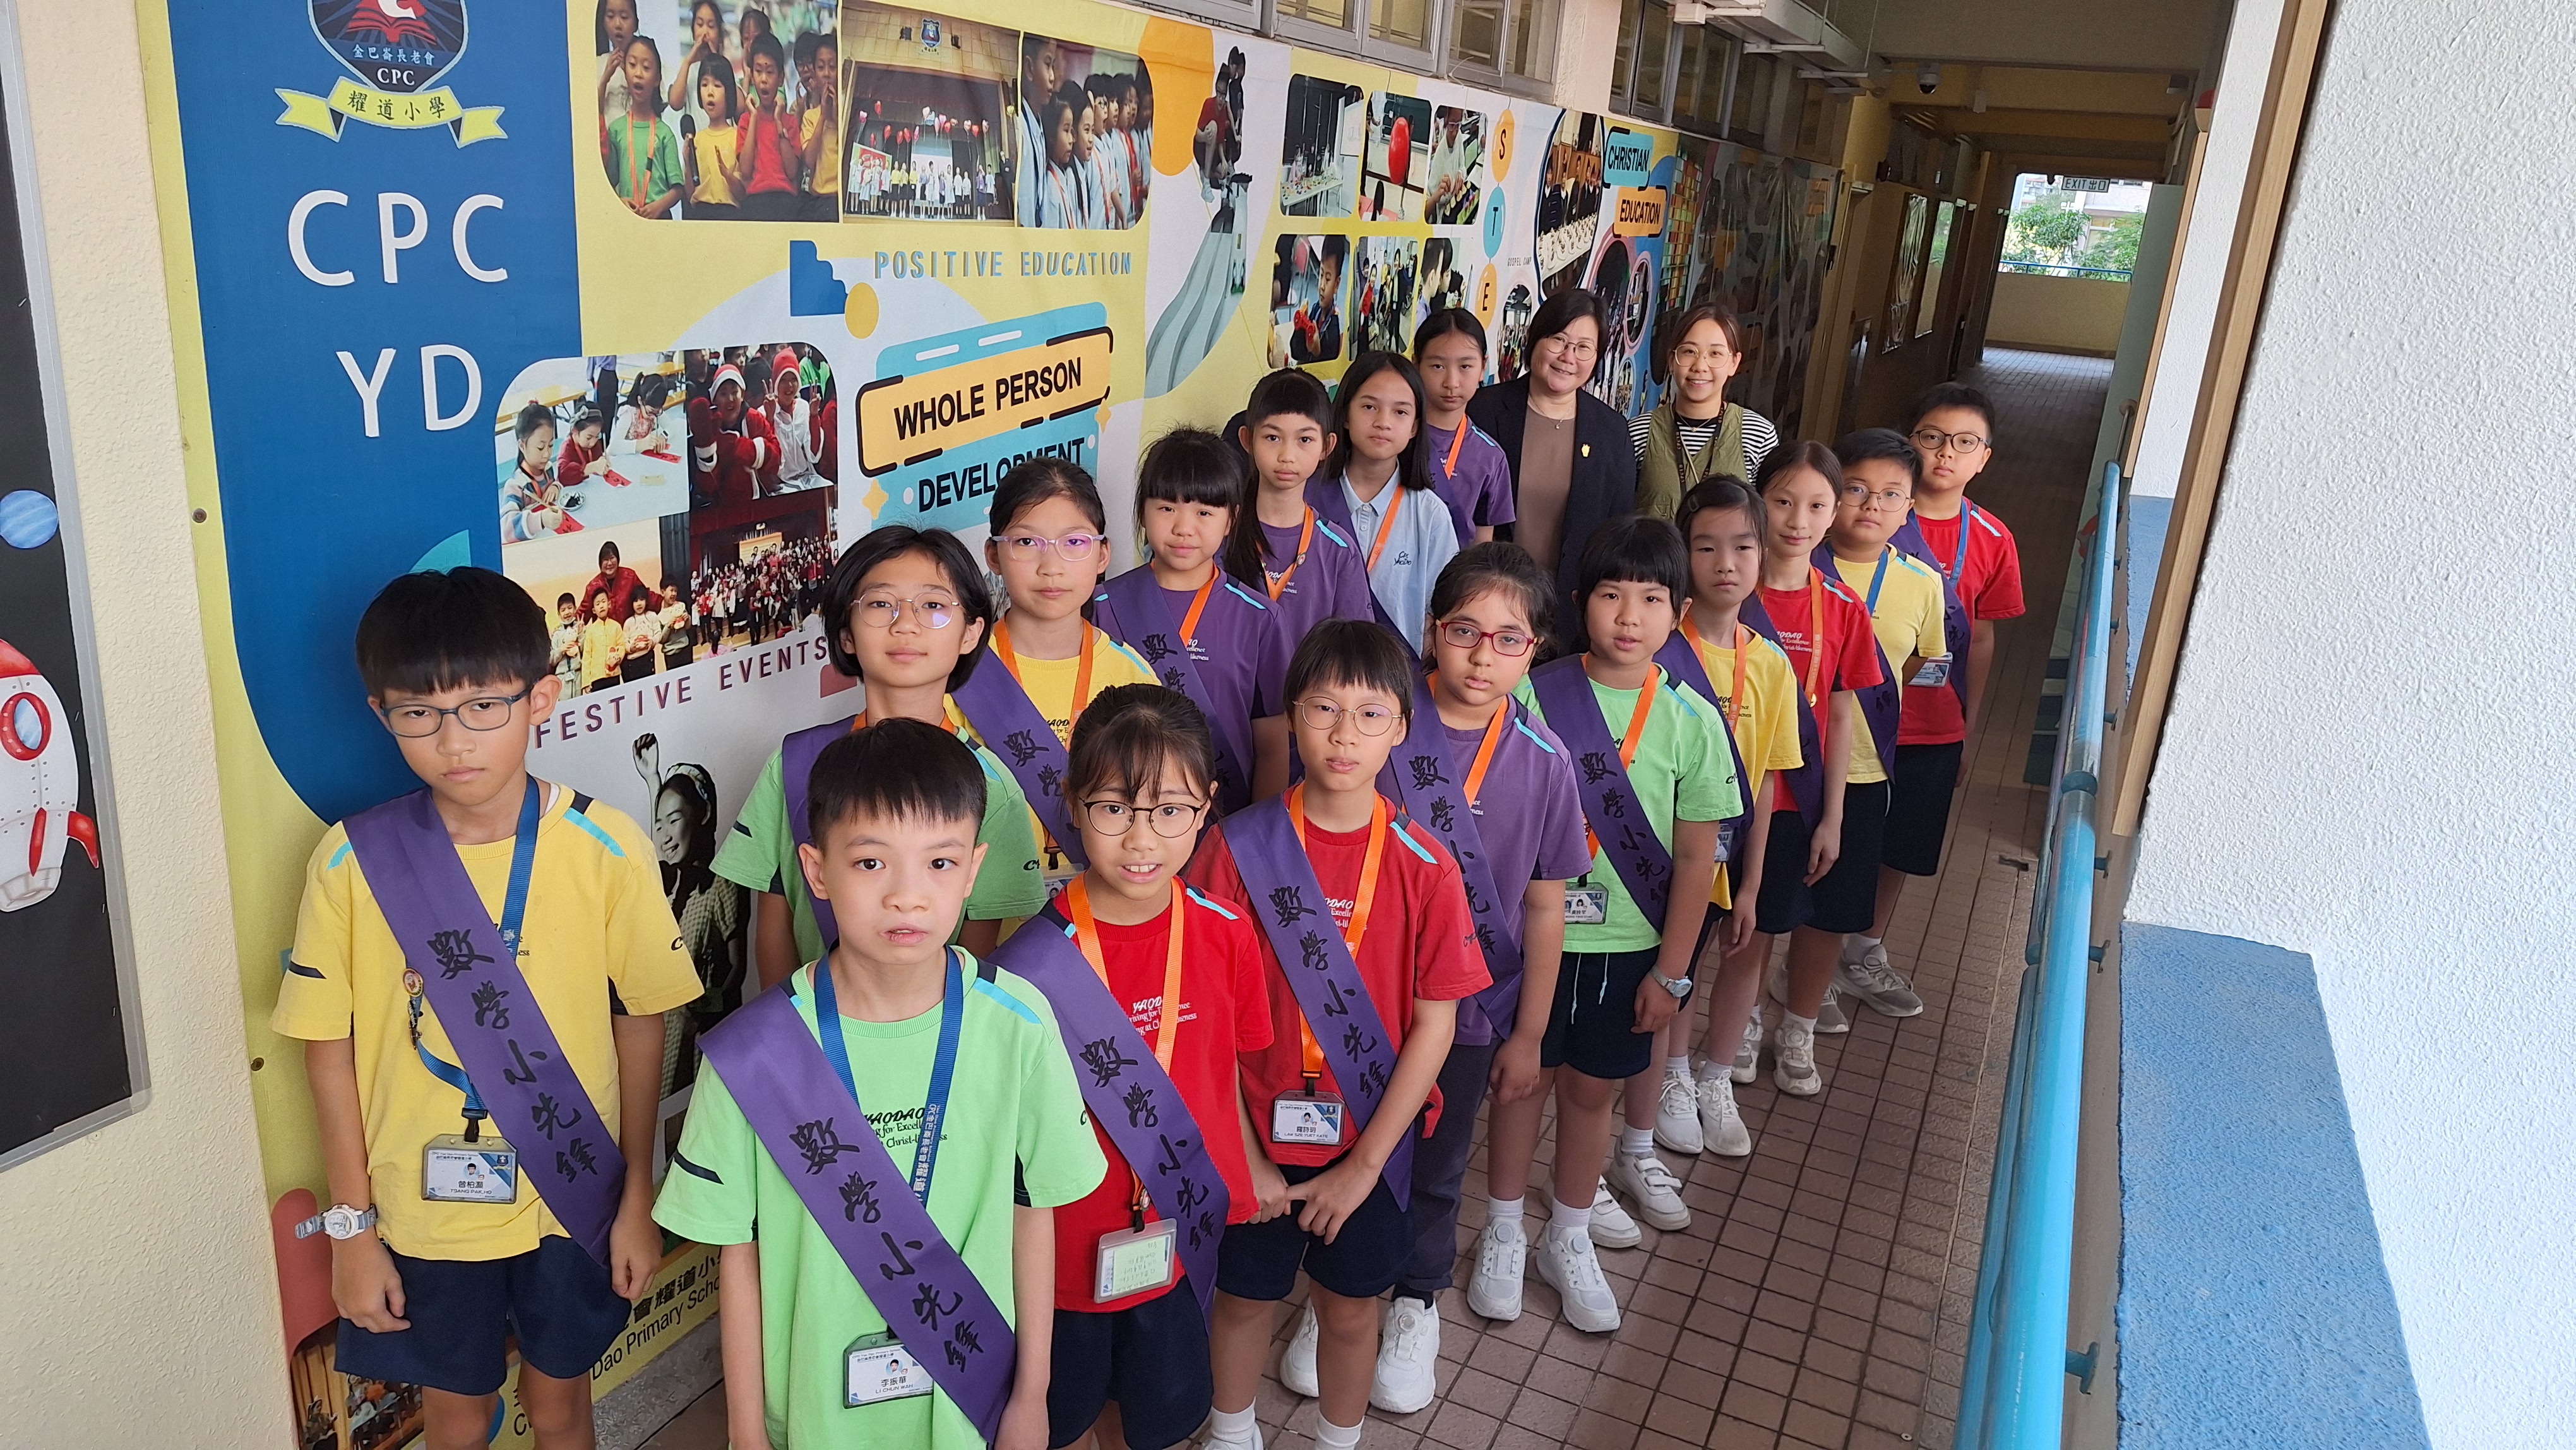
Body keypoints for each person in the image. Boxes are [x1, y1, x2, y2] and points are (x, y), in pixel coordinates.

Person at [275, 567, 700, 1450]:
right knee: (456, 1417)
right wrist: (352, 1232)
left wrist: (636, 1193)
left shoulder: (606, 847)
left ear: (541, 697)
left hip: (572, 1194)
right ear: (381, 714)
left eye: (482, 707)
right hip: (421, 1213)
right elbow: (327, 1053)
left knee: (562, 1406)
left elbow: (642, 1024)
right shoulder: (352, 862)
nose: (452, 741)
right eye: (418, 713)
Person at [655, 719, 1106, 1450]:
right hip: (812, 1419)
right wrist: (744, 1431)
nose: (907, 896)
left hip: (972, 1405)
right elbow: (739, 1255)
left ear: (974, 869)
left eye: (939, 862)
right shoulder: (754, 1053)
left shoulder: (1019, 1026)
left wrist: (1032, 1394)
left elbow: (1034, 1215)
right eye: (871, 862)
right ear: (817, 869)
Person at [1277, 544, 1588, 1408]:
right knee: (1343, 1146)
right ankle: (1338, 1297)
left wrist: (1530, 1032)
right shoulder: (1375, 718)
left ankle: (1416, 1300)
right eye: (1463, 631)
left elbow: (1545, 906)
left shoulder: (1546, 760)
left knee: (1440, 1167)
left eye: (1509, 639)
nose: (1483, 656)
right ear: (1430, 630)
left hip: (1469, 1014)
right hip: (1346, 1003)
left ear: (1536, 649)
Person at [1188, 621, 1489, 1450]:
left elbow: (1437, 1023)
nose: (1344, 734)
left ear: (1401, 728)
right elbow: (1204, 1015)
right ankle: (1232, 1434)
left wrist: (1362, 1168)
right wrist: (1245, 1154)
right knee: (1241, 1302)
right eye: (1323, 708)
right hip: (1251, 1135)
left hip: (1370, 1144)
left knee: (1352, 1312)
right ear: (1292, 716)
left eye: (1369, 714)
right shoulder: (1236, 848)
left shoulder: (1425, 864)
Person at [991, 686, 1273, 1450]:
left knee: (1152, 1424)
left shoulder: (1226, 933)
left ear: (1207, 805)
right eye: (1114, 808)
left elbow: (1228, 1070)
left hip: (1176, 1235)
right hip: (1055, 1260)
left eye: (1170, 810)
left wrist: (1250, 1167)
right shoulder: (1025, 967)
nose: (1142, 839)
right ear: (1072, 803)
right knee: (1060, 1424)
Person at [1501, 517, 1732, 1332]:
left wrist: (1674, 974)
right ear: (1579, 602)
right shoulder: (1533, 693)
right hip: (1531, 938)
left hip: (1629, 945)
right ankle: (1504, 1229)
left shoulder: (1693, 720)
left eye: (1651, 599)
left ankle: (1567, 1234)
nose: (1629, 616)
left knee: (1592, 1090)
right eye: (1610, 595)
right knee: (1520, 1083)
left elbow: (1698, 861)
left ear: (1679, 612)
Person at [713, 527, 1047, 992]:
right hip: (812, 1023)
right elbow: (775, 918)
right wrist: (787, 1029)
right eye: (880, 604)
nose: (905, 624)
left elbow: (979, 950)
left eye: (933, 605)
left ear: (971, 632)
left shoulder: (991, 784)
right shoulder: (793, 765)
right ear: (846, 634)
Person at [1656, 478, 1803, 1157]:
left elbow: (1768, 777)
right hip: (1666, 847)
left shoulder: (1771, 664)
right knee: (1678, 962)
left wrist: (1752, 882)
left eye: (1743, 546)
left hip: (1737, 845)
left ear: (1763, 552)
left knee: (1741, 953)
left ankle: (1717, 1076)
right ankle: (1674, 1074)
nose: (1726, 563)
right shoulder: (1660, 650)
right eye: (1706, 547)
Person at [1864, 387, 2024, 1004]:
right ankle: (1808, 960)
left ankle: (1863, 950)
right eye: (1931, 437)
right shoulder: (1872, 518)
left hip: (1933, 725)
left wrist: (1968, 725)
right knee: (1839, 840)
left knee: (1901, 846)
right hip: (1856, 720)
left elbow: (1980, 637)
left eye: (1964, 442)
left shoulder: (1992, 538)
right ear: (1910, 442)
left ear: (1984, 458)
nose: (1945, 453)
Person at [1740, 443, 1882, 1096]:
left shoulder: (1844, 608)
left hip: (1799, 797)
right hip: (1732, 792)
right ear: (1758, 502)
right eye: (1783, 501)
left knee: (1793, 911)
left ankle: (1796, 1029)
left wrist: (1834, 815)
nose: (1798, 520)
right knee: (1748, 924)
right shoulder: (1726, 593)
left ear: (1835, 512)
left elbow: (1844, 715)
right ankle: (1741, 1023)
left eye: (1818, 505)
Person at [954, 460, 1160, 890]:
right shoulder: (958, 674)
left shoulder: (1133, 676)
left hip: (1101, 906)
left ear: (1103, 555)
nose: (1051, 566)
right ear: (992, 555)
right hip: (985, 909)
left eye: (1075, 542)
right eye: (1027, 542)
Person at [1088, 428, 1292, 812]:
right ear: (1143, 511)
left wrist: (1253, 835)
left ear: (1231, 520)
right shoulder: (1102, 605)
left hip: (1226, 824)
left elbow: (1272, 746)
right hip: (1128, 819)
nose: (1184, 527)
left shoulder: (1260, 618)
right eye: (1167, 508)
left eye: (1204, 513)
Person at [1465, 289, 1638, 597]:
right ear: (1534, 340)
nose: (1568, 358)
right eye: (1558, 340)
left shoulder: (1611, 432)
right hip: (1490, 596)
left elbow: (1619, 534)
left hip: (1572, 605)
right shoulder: (1482, 411)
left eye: (1584, 348)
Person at [1309, 353, 1457, 656]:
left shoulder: (1430, 515)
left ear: (1415, 427)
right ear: (1345, 415)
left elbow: (1445, 608)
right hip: (1313, 666)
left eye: (1400, 412)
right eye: (1369, 407)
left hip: (1395, 673)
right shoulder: (1306, 499)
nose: (1383, 422)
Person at [1237, 368, 1374, 654]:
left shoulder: (1339, 551)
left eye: (1305, 440)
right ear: (1247, 440)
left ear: (1327, 446)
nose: (1287, 456)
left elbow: (1354, 653)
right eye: (1272, 437)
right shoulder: (1220, 533)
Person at [1629, 306, 1780, 522]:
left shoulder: (1758, 434)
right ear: (1672, 360)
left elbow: (1768, 519)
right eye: (1689, 352)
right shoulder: (1638, 432)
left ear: (1734, 363)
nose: (1700, 366)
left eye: (1715, 354)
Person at [1413, 309, 1514, 546]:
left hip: (1456, 569)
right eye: (1438, 366)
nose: (1452, 382)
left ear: (1483, 367)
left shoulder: (1491, 458)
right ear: (1416, 365)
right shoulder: (1392, 436)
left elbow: (1482, 543)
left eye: (1465, 366)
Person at [607, 37, 683, 219]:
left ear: (657, 79)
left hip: (660, 219)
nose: (639, 73)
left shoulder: (665, 133)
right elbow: (608, 183)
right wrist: (621, 201)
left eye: (647, 67)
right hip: (627, 217)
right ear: (625, 71)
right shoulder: (616, 130)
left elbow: (678, 189)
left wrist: (659, 207)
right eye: (632, 65)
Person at [734, 32, 804, 222]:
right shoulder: (746, 121)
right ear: (752, 75)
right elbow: (745, 170)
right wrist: (754, 118)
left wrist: (779, 123)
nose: (764, 79)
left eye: (770, 72)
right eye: (758, 71)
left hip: (785, 202)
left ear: (781, 78)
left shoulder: (790, 122)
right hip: (755, 202)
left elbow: (792, 171)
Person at [500, 403, 571, 542]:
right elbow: (505, 529)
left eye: (551, 445)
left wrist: (555, 486)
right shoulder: (516, 485)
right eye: (540, 447)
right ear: (522, 446)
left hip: (552, 539)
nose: (547, 454)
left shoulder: (548, 468)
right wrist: (541, 520)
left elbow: (557, 482)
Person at [686, 52, 742, 221]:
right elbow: (690, 194)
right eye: (704, 85)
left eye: (717, 86)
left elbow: (742, 193)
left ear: (729, 92)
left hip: (729, 216)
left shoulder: (737, 137)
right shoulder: (697, 140)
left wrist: (728, 175)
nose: (710, 92)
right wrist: (688, 162)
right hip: (701, 216)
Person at [797, 32, 840, 223]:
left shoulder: (846, 114)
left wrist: (836, 114)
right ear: (814, 72)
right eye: (821, 67)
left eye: (833, 67)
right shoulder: (811, 117)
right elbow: (809, 161)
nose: (827, 74)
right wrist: (823, 114)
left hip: (840, 201)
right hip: (818, 201)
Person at [582, 540, 650, 623]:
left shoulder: (630, 577)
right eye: (606, 560)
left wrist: (664, 602)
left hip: (630, 628)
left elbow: (647, 596)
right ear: (600, 563)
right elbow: (582, 614)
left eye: (612, 558)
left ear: (618, 559)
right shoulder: (593, 587)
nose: (610, 563)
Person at [580, 590, 627, 693]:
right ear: (594, 610)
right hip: (596, 678)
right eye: (598, 604)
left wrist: (617, 657)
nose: (601, 606)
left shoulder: (616, 626)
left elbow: (621, 646)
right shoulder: (591, 630)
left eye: (603, 602)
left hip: (613, 674)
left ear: (609, 604)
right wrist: (586, 682)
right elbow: (587, 656)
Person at [620, 594, 664, 683]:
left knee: (650, 684)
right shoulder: (628, 622)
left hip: (648, 657)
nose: (639, 604)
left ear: (646, 601)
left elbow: (658, 633)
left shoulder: (652, 616)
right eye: (636, 601)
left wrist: (652, 641)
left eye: (642, 599)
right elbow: (624, 641)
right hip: (633, 661)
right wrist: (630, 648)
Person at [550, 592, 586, 697]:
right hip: (562, 677)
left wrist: (581, 634)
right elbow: (551, 660)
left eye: (570, 608)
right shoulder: (557, 634)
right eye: (563, 610)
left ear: (575, 608)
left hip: (578, 674)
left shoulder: (581, 628)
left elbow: (585, 652)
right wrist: (561, 649)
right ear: (559, 613)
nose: (567, 612)